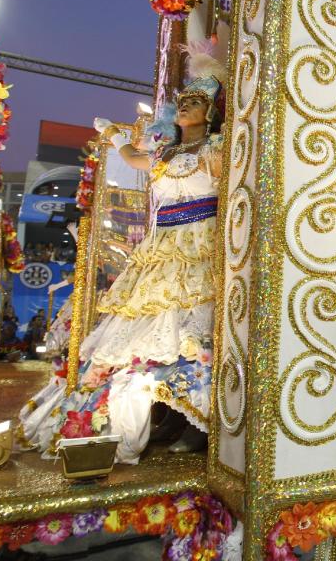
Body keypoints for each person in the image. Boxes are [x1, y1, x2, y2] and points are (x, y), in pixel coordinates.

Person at [17, 45, 225, 463]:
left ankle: (198, 419)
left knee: (194, 333)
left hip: (201, 244)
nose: (186, 107)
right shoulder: (165, 154)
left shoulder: (215, 149)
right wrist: (113, 135)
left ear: (211, 112)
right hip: (161, 246)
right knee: (145, 332)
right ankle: (166, 411)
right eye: (182, 102)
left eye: (196, 102)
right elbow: (132, 156)